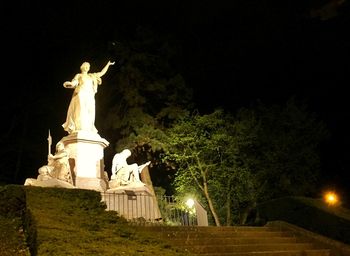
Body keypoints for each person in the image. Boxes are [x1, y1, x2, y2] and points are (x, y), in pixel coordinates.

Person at [62, 60, 115, 134]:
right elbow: (74, 82)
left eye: (88, 66)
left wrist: (108, 65)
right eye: (86, 66)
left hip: (89, 95)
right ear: (82, 67)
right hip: (81, 93)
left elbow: (102, 73)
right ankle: (79, 127)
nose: (87, 67)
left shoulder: (92, 76)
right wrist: (70, 84)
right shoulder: (79, 75)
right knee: (81, 109)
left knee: (90, 111)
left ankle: (87, 127)